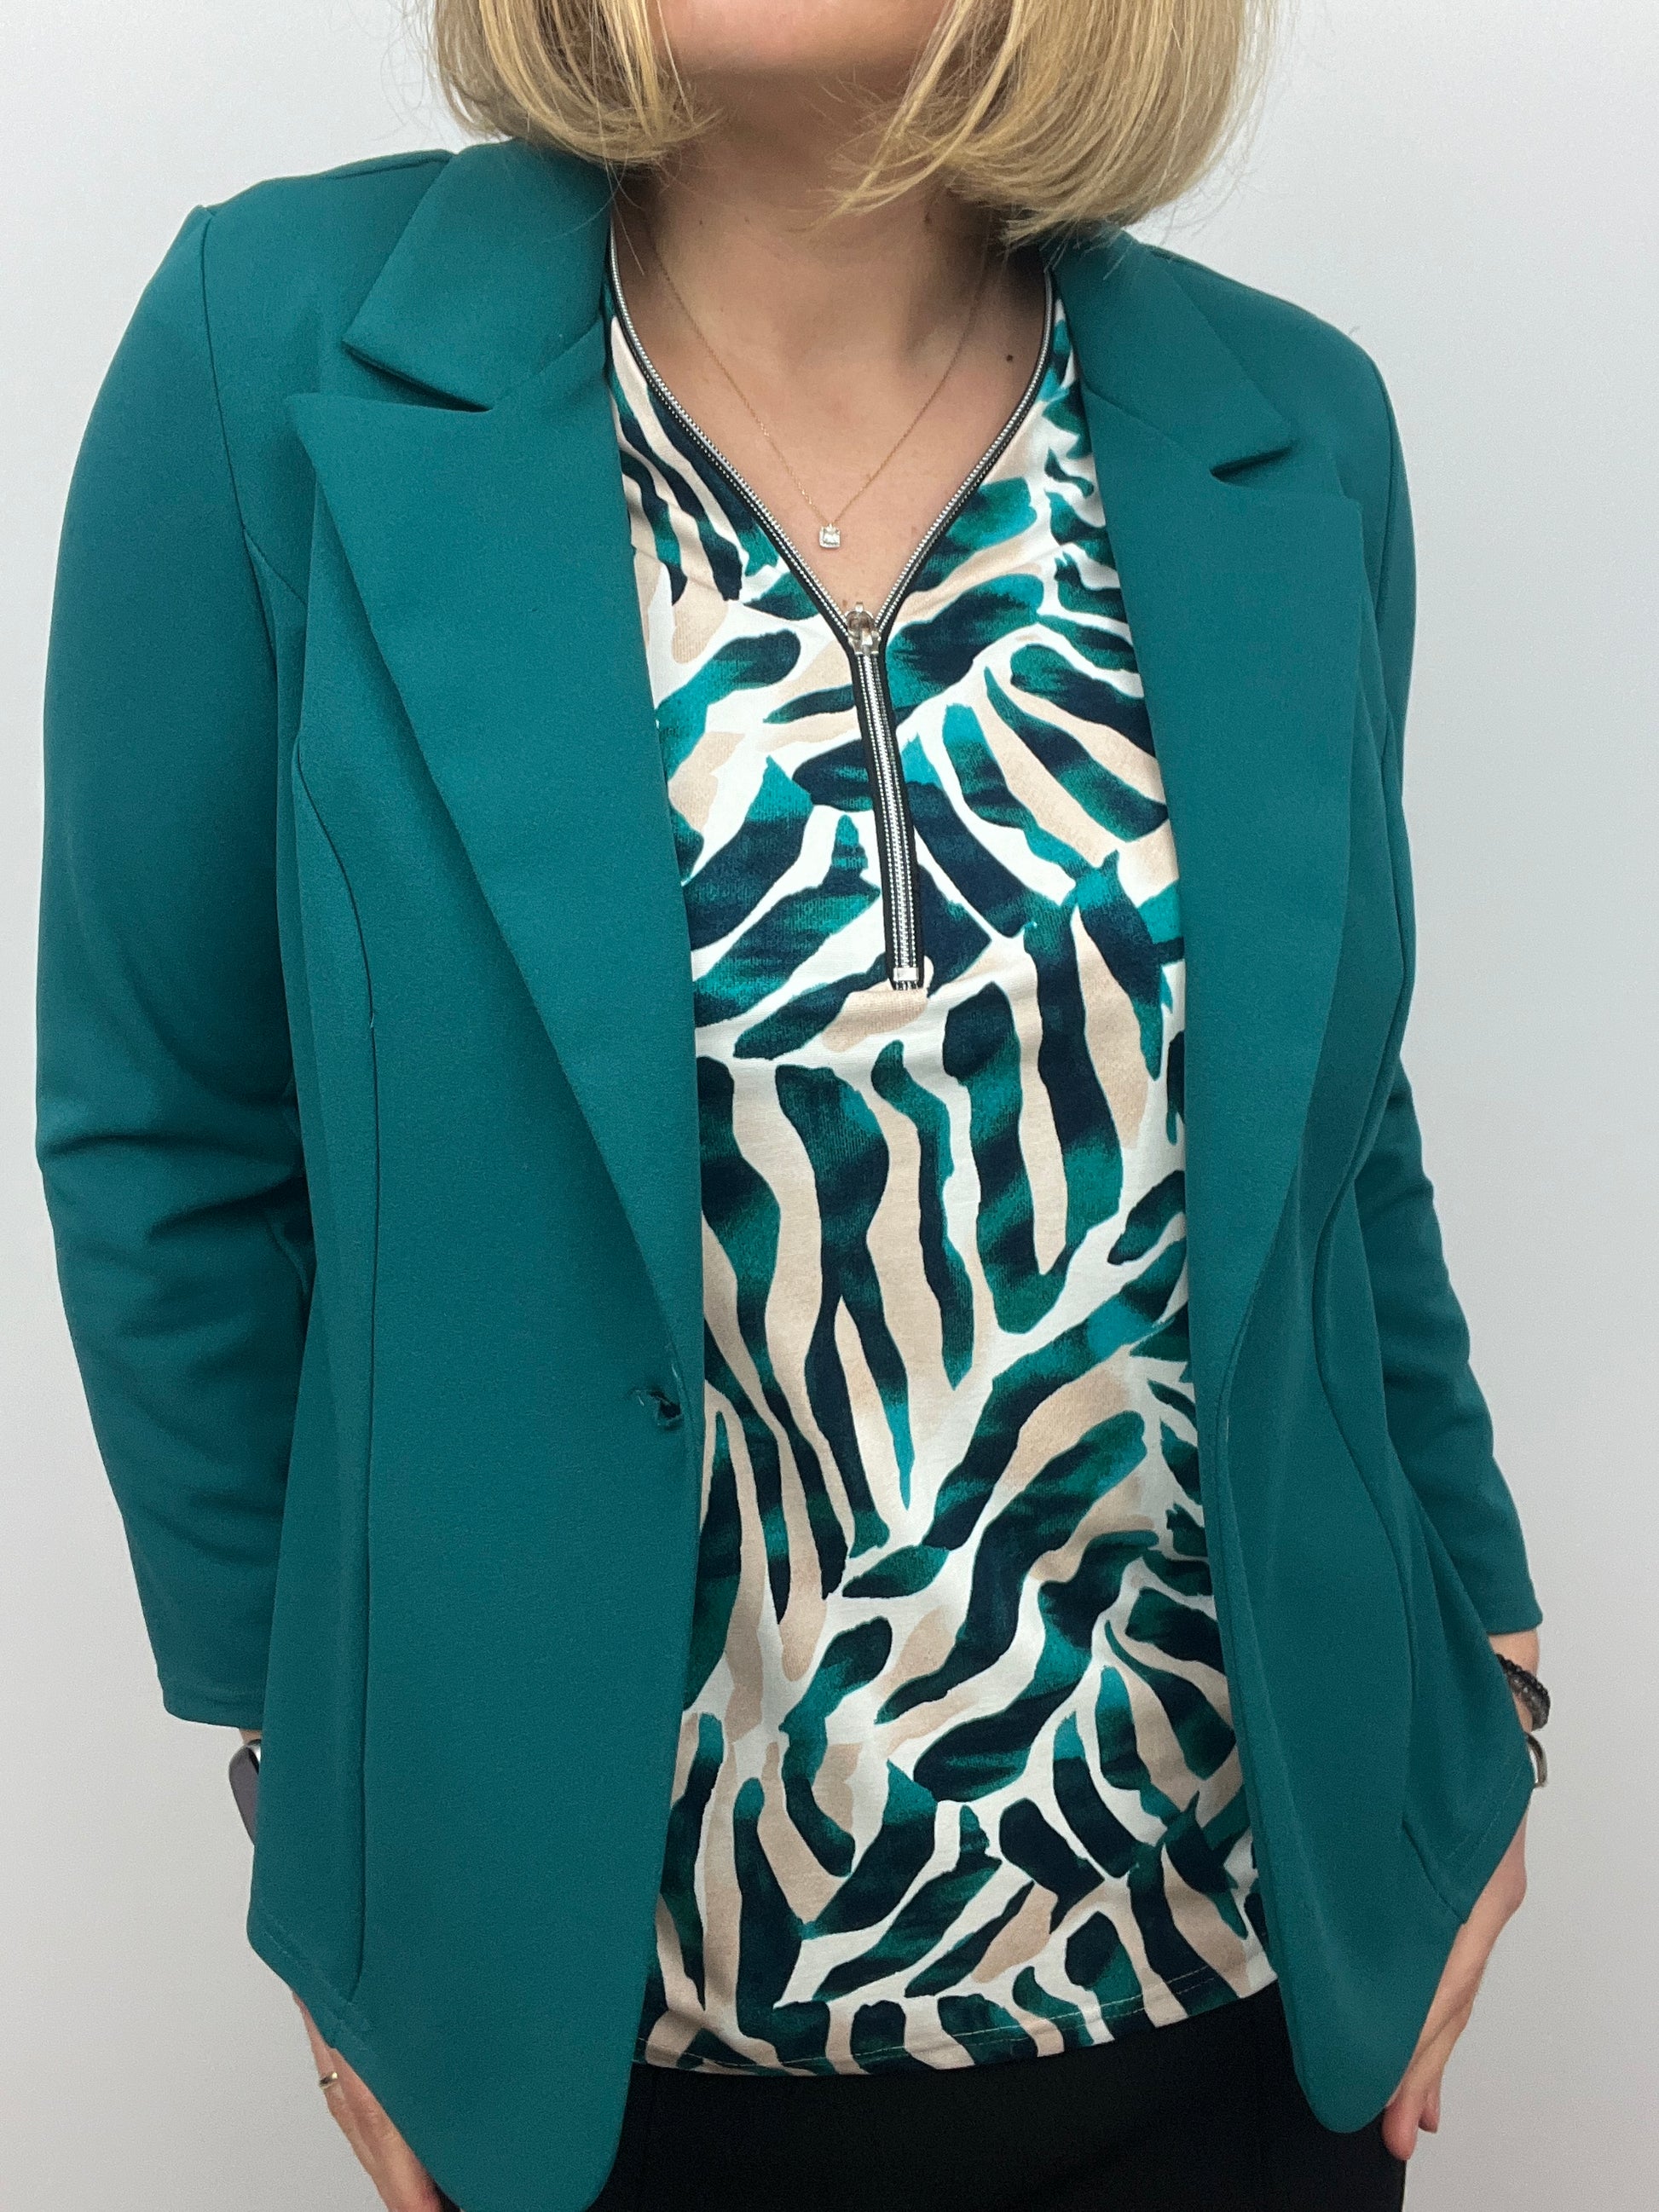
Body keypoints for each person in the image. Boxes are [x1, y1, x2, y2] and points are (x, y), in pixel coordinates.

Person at [36, 3, 1549, 2208]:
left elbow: (1332, 1122)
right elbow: (168, 1134)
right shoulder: (266, 357)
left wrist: (1492, 1670)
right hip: (601, 2057)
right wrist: (332, 1810)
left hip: (1247, 2003)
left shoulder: (1292, 425)